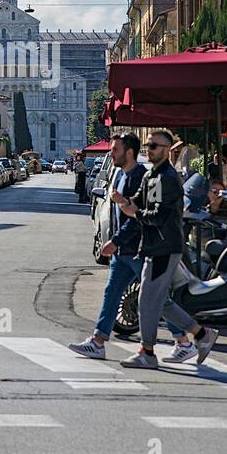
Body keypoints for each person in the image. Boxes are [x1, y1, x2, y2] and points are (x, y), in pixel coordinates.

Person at [113, 130, 218, 369]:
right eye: (147, 146)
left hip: (163, 247)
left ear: (166, 150)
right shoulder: (153, 175)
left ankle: (147, 352)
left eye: (153, 146)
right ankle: (201, 335)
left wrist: (134, 212)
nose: (148, 150)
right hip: (154, 245)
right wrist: (124, 200)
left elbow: (158, 215)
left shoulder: (168, 178)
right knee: (158, 301)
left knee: (146, 300)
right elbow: (140, 199)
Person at [69, 133, 146, 358]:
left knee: (156, 298)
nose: (110, 154)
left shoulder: (138, 177)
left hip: (136, 249)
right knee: (111, 294)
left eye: (114, 150)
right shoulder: (121, 175)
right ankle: (98, 341)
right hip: (123, 251)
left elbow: (135, 218)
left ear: (129, 152)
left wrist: (114, 241)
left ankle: (194, 334)